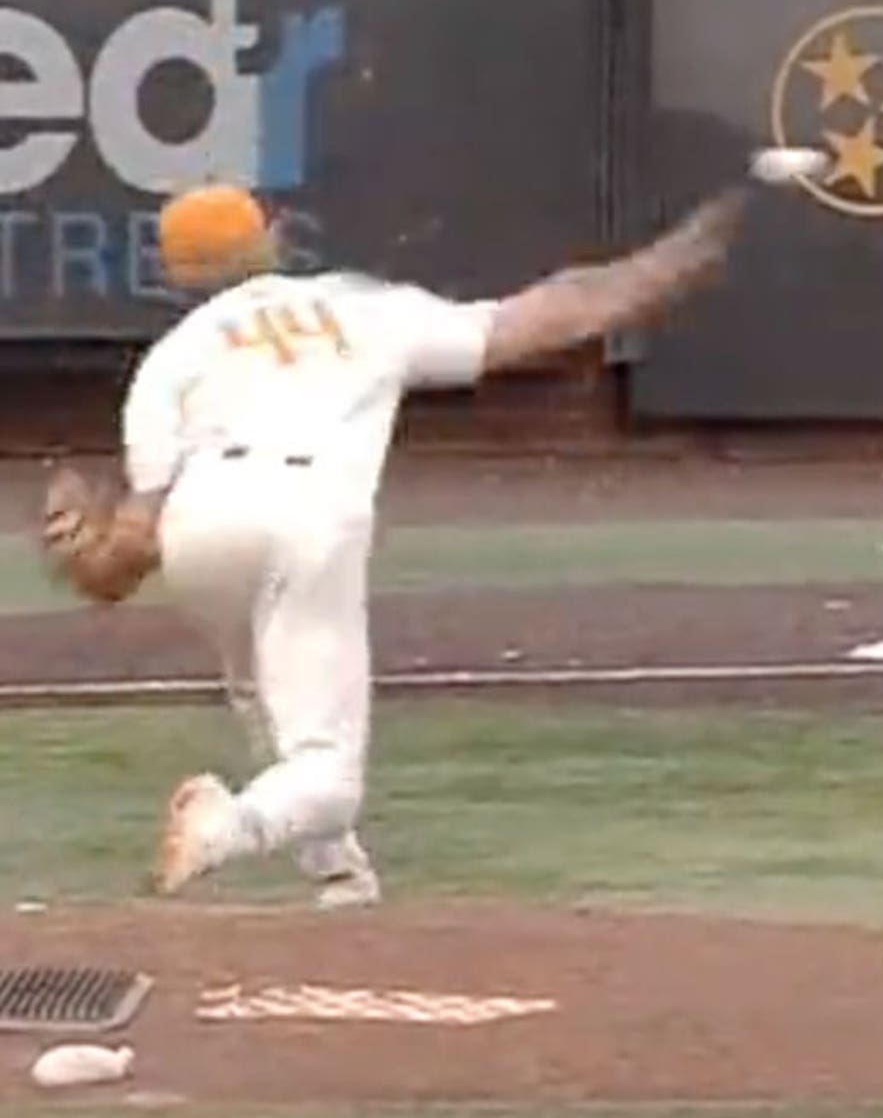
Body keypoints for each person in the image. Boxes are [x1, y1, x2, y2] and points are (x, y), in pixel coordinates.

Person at [38, 179, 746, 905]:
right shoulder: (355, 305)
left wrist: (78, 547)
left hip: (199, 528)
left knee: (267, 696)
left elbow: (126, 557)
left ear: (171, 275)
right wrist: (674, 257)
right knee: (328, 773)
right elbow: (555, 314)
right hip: (305, 514)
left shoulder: (171, 359)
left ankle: (342, 877)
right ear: (271, 240)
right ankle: (230, 826)